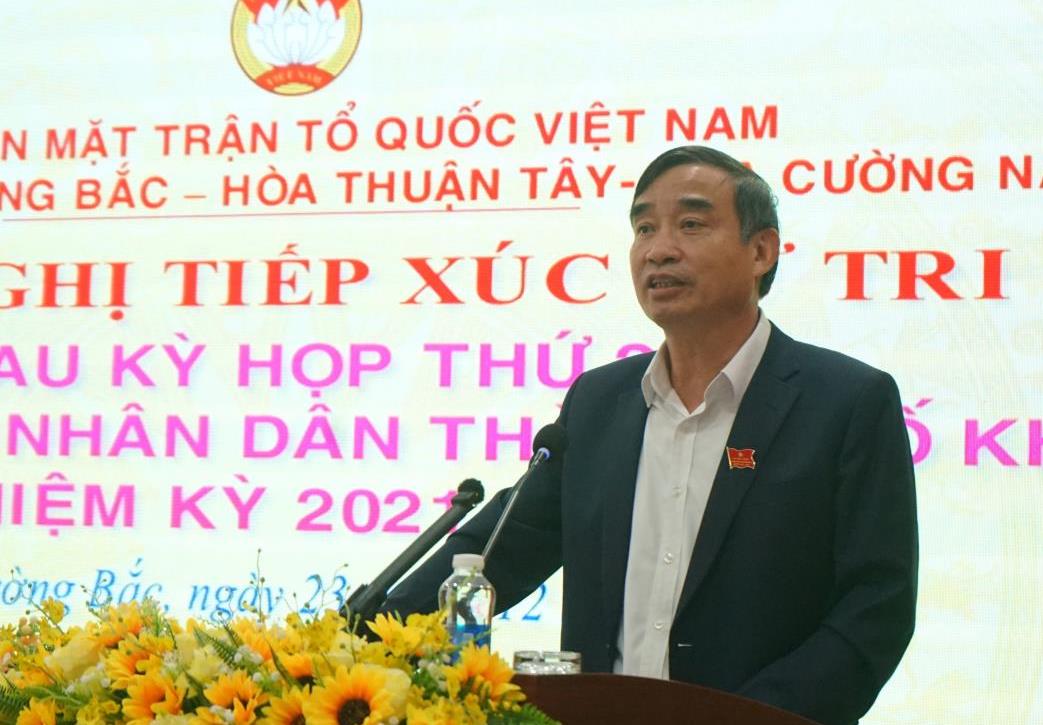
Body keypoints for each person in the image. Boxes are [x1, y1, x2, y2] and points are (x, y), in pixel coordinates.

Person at [382, 146, 918, 725]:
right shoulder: (599, 403)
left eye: (691, 224)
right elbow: (498, 551)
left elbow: (875, 609)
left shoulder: (844, 402)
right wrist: (359, 639)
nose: (658, 249)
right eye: (644, 228)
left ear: (761, 251)